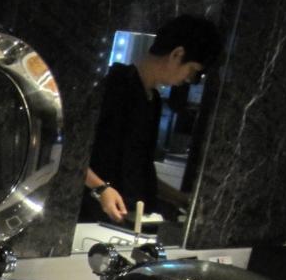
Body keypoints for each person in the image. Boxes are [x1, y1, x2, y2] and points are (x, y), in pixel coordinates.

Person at [81, 14, 222, 225]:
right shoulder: (116, 85)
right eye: (192, 71)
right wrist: (100, 188)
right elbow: (73, 152)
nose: (189, 80)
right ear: (176, 54)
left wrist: (180, 198)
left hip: (127, 218)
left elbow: (140, 169)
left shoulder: (153, 100)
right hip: (93, 216)